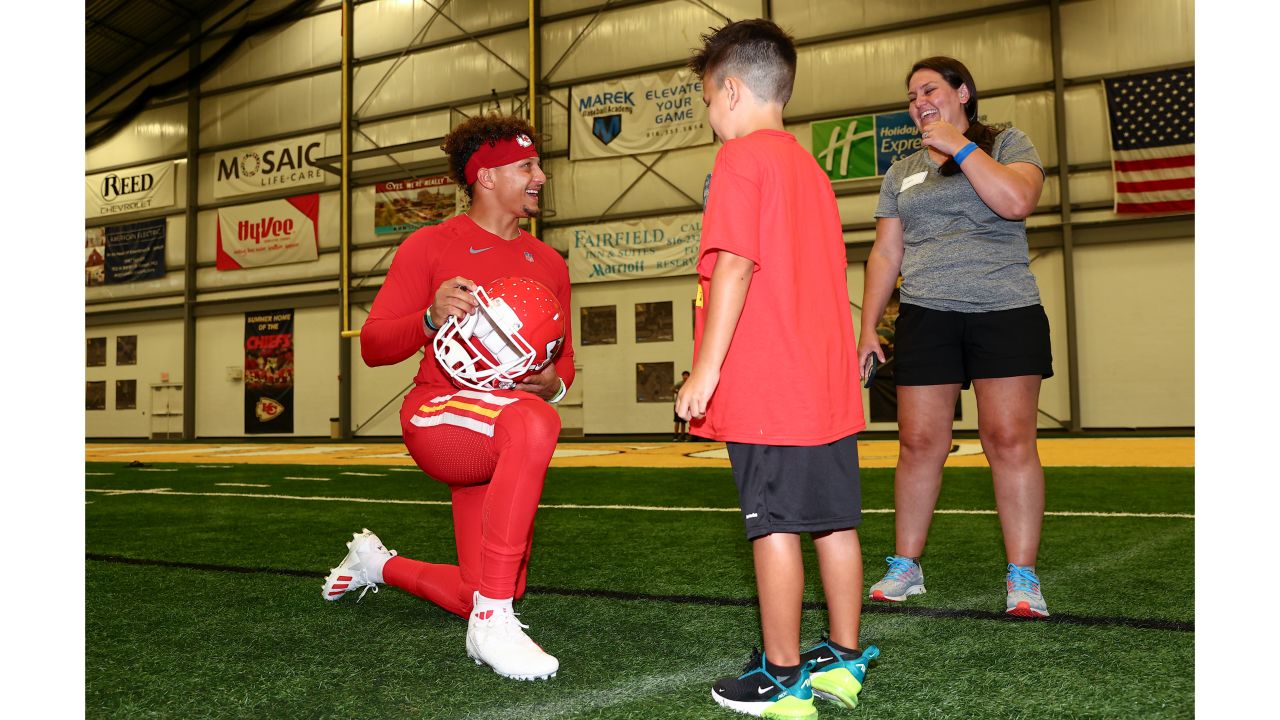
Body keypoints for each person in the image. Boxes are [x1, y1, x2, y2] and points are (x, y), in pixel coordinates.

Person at [321, 114, 574, 680]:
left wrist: (552, 382)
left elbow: (565, 368)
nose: (541, 176)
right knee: (534, 425)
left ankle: (377, 565)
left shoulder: (550, 264)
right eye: (527, 166)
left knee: (487, 584)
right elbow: (374, 345)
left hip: (503, 429)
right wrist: (431, 317)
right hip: (439, 416)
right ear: (485, 176)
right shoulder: (431, 245)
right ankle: (492, 625)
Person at [678, 19, 878, 719]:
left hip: (771, 386)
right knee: (835, 524)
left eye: (707, 100)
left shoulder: (741, 160)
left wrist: (704, 372)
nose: (709, 116)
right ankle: (845, 662)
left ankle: (784, 678)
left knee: (774, 527)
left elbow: (734, 264)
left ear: (730, 90)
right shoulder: (811, 170)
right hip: (825, 384)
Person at [859, 56, 1053, 618]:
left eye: (930, 90)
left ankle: (1022, 578)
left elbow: (1016, 201)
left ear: (963, 92)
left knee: (1008, 442)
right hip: (927, 314)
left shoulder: (1009, 142)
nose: (918, 101)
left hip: (1004, 309)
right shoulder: (903, 171)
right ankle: (905, 568)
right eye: (911, 95)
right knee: (919, 445)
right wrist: (868, 326)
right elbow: (886, 252)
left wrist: (960, 147)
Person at [673, 370, 690, 440]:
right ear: (682, 376)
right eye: (684, 375)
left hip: (685, 404)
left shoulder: (690, 384)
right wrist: (678, 392)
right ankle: (676, 435)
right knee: (677, 420)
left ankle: (683, 435)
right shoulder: (679, 383)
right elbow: (672, 389)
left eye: (687, 375)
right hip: (678, 404)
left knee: (683, 421)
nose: (685, 376)